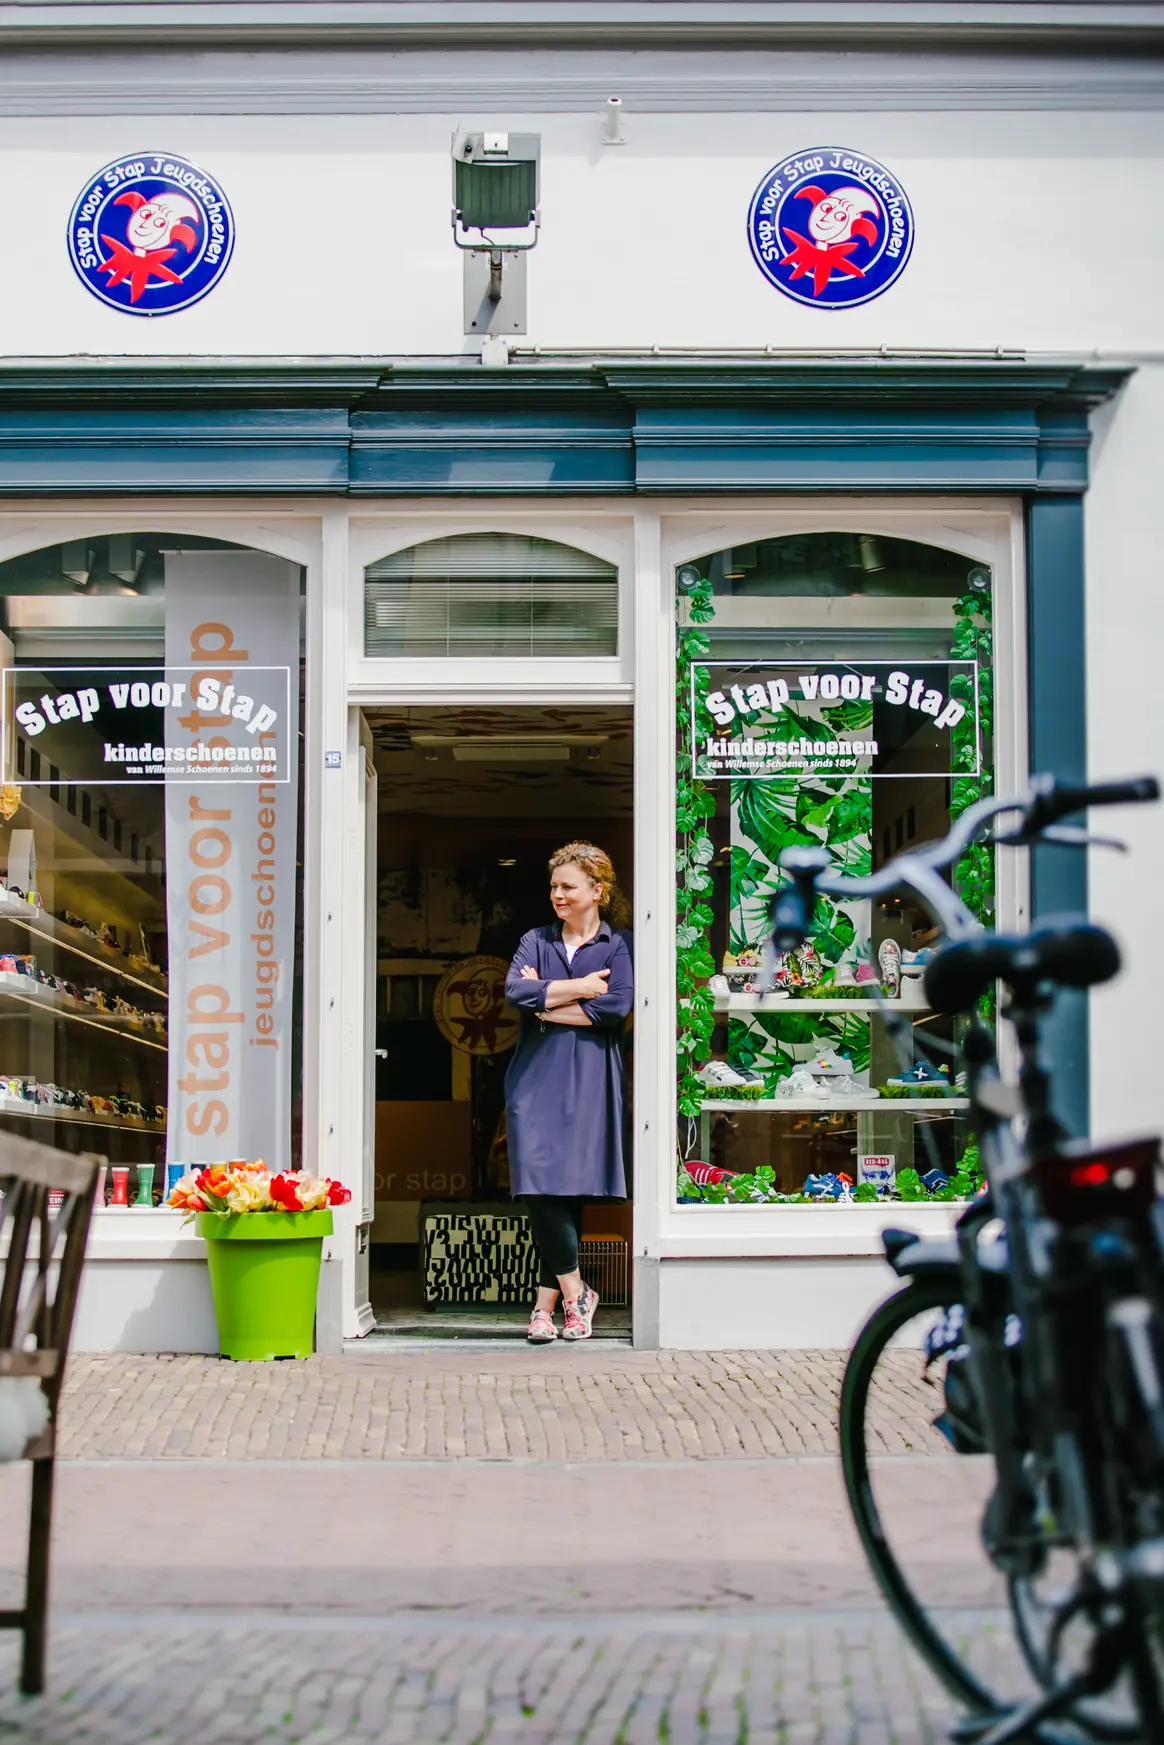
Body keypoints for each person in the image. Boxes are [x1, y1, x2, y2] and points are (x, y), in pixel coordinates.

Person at [504, 842, 633, 1343]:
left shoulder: (617, 944)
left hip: (589, 1079)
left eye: (567, 886)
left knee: (568, 1190)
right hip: (534, 1079)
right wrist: (583, 986)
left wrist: (547, 1001)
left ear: (596, 890)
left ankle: (544, 1309)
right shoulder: (535, 939)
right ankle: (579, 1294)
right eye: (554, 886)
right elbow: (516, 991)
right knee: (537, 1186)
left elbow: (616, 1009)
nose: (556, 894)